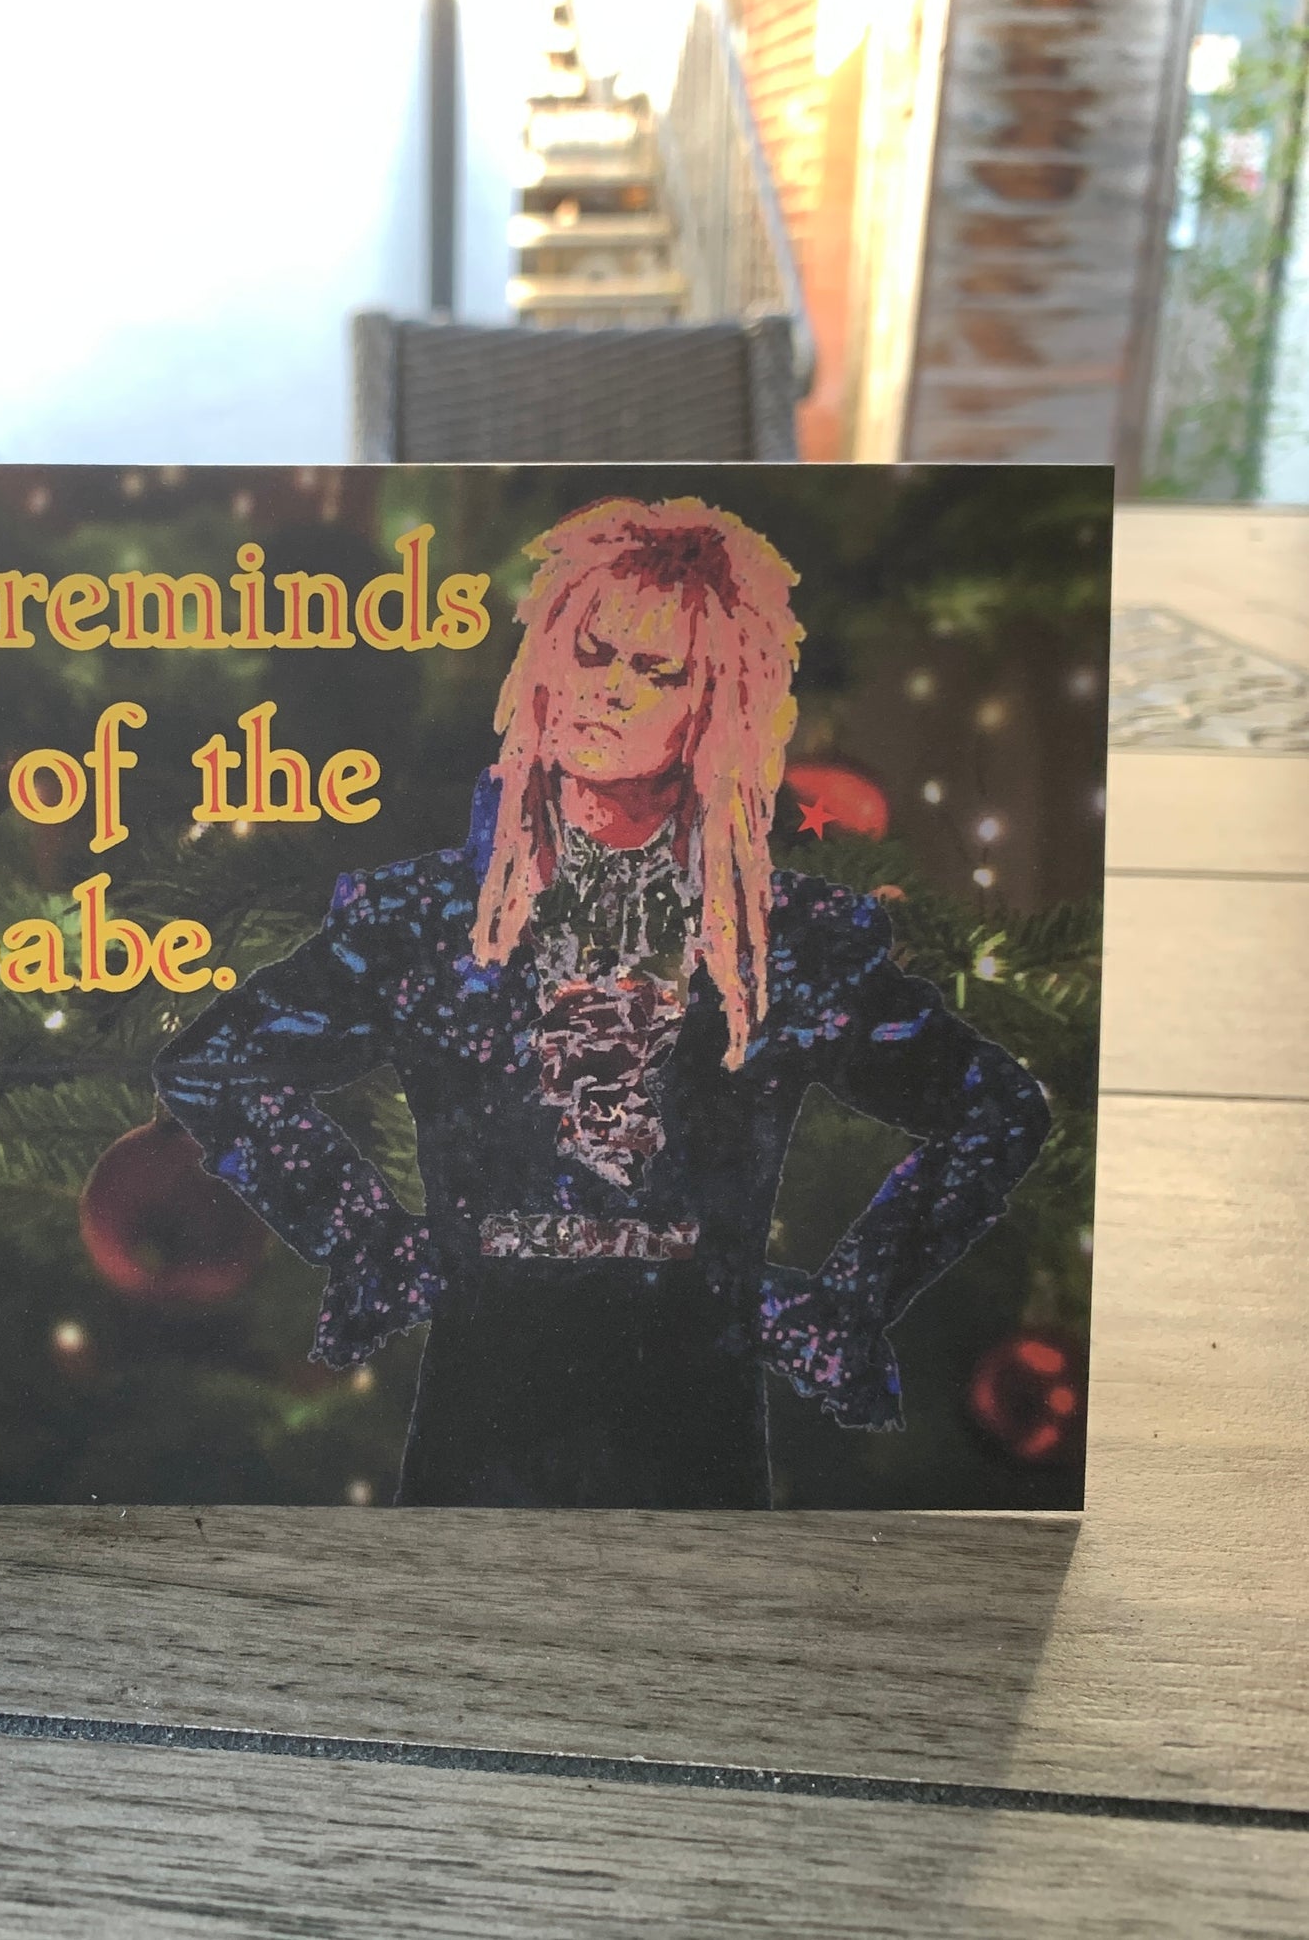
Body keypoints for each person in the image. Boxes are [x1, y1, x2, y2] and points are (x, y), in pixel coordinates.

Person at [156, 498, 1050, 1507]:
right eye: (588, 654)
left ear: (714, 706)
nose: (606, 690)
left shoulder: (782, 941)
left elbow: (995, 1109)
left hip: (696, 1436)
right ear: (544, 665)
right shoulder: (428, 918)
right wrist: (369, 1236)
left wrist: (842, 1300)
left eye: (654, 670)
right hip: (475, 1428)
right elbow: (217, 1066)